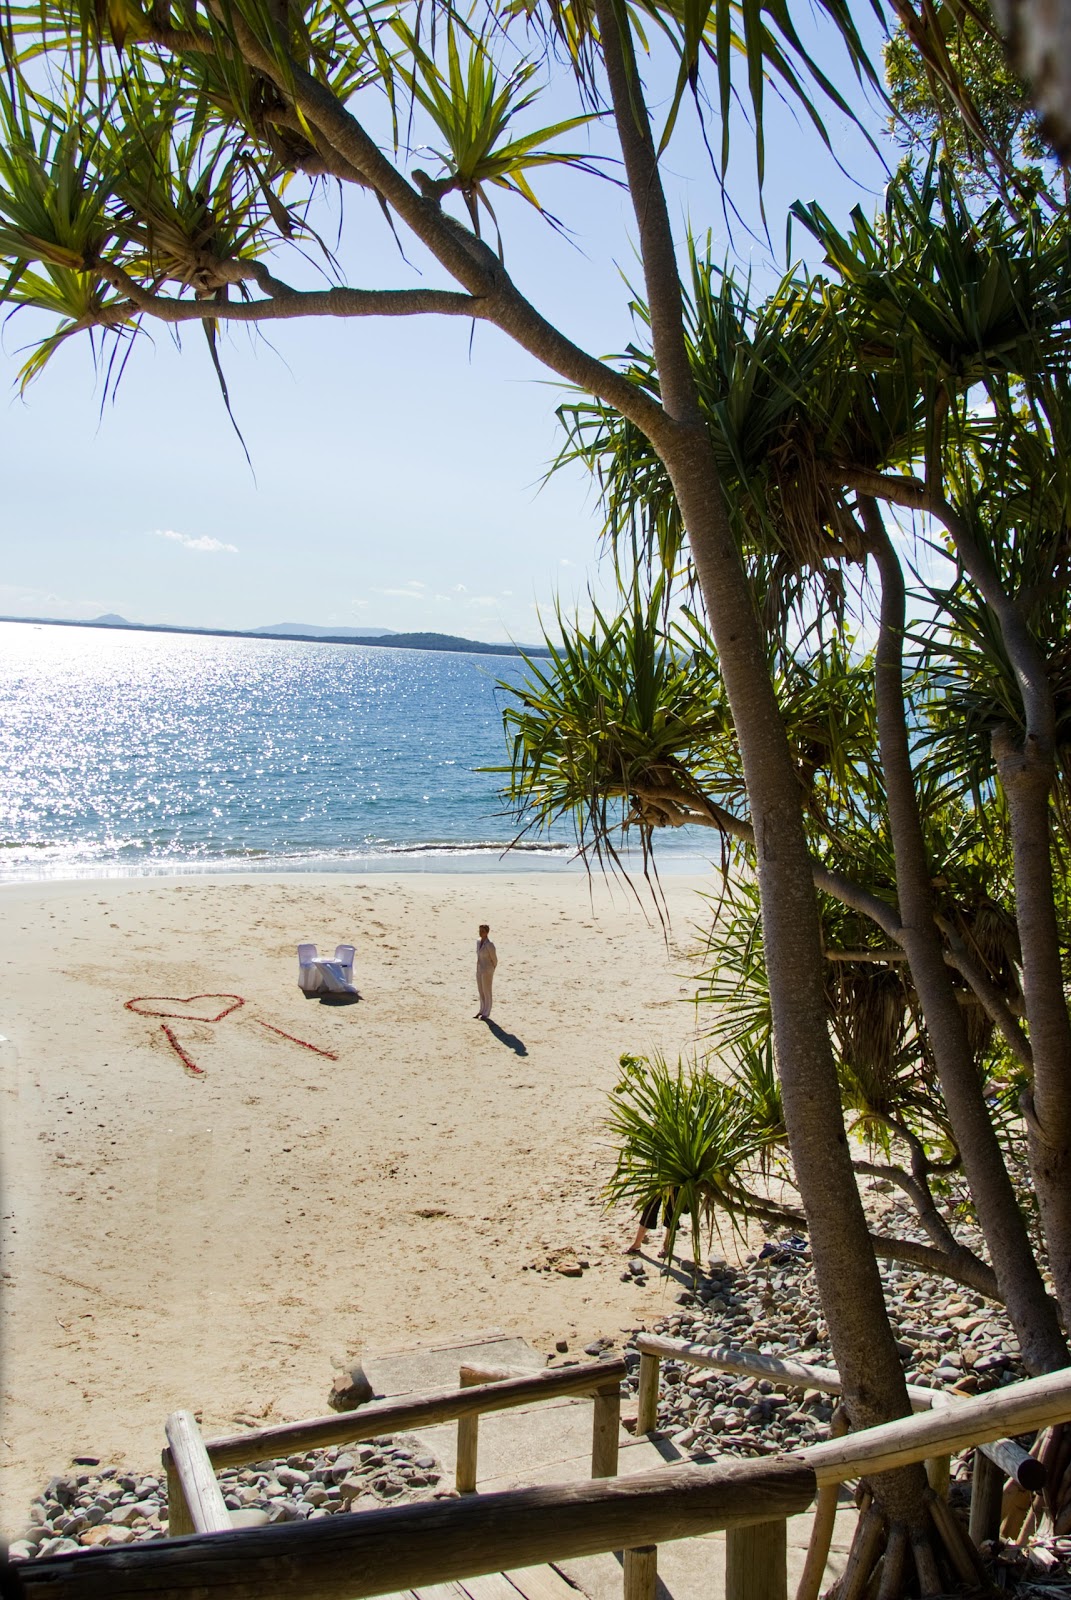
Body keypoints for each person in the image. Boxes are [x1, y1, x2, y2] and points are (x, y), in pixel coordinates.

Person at [475, 923, 497, 1020]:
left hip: (487, 970)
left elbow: (494, 959)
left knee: (487, 990)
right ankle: (481, 1009)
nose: (481, 933)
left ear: (487, 932)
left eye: (483, 931)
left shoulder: (490, 944)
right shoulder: (478, 941)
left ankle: (486, 1012)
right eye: (480, 931)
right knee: (481, 990)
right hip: (479, 969)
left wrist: (491, 968)